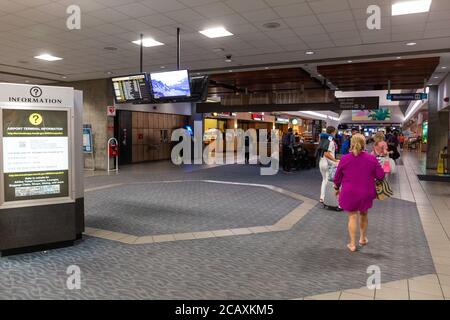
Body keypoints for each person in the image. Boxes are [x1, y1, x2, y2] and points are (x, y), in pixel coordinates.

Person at [334, 134, 385, 252]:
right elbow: (381, 175)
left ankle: (352, 244)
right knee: (363, 214)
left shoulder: (344, 159)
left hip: (349, 192)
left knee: (352, 217)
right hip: (366, 192)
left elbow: (337, 178)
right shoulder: (371, 158)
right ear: (364, 144)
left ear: (352, 143)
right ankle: (362, 239)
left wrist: (336, 188)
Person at [317, 126, 339, 203]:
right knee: (329, 181)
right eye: (335, 132)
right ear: (333, 132)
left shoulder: (322, 140)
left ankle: (322, 197)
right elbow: (327, 154)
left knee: (324, 180)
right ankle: (327, 198)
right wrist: (335, 160)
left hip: (321, 162)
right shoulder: (331, 142)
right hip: (328, 163)